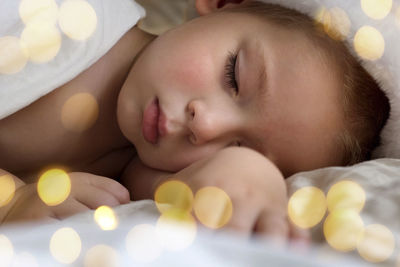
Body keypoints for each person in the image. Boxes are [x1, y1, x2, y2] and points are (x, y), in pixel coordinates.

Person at [0, 0, 389, 243]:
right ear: (223, 3)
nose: (206, 126)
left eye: (239, 144)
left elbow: (195, 191)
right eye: (233, 76)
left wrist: (250, 174)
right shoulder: (58, 19)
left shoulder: (139, 168)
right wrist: (12, 199)